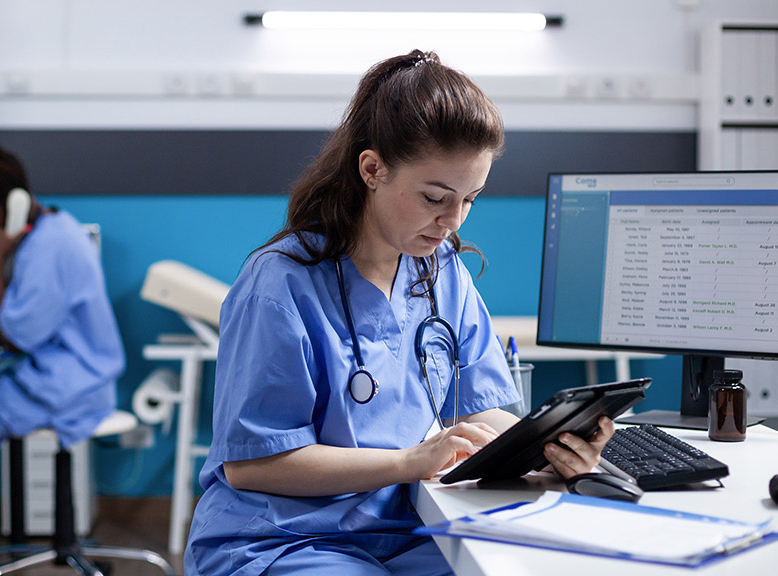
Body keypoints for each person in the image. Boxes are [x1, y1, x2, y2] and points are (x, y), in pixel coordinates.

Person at [185, 50, 614, 575]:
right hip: (284, 538)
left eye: (470, 199)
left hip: (404, 528)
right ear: (372, 169)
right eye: (435, 197)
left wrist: (551, 445)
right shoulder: (279, 285)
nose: (451, 220)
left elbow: (478, 410)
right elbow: (253, 465)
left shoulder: (442, 271)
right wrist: (408, 462)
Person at [0, 131, 126, 477]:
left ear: (15, 203)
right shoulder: (54, 229)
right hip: (68, 376)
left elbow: (18, 337)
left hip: (75, 385)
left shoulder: (48, 247)